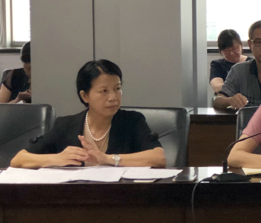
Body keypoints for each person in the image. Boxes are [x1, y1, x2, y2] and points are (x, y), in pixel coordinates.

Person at [10, 59, 166, 169]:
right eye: (104, 91)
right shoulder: (65, 125)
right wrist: (56, 158)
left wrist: (108, 159)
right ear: (85, 96)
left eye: (117, 89)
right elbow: (19, 159)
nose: (113, 97)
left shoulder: (132, 121)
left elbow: (158, 157)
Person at [214, 20, 261, 109]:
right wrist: (230, 100)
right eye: (258, 42)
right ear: (250, 44)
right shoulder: (238, 70)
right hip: (248, 118)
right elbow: (218, 100)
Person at [210, 29, 248, 94]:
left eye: (234, 49)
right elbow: (217, 86)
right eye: (226, 50)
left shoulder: (251, 63)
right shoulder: (217, 65)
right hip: (227, 98)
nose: (231, 53)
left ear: (241, 46)